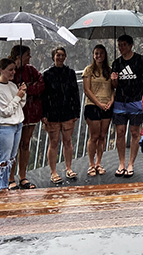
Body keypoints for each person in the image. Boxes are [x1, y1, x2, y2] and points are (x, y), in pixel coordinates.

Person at [111, 34, 143, 178]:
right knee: (120, 132)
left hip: (136, 102)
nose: (121, 48)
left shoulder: (141, 60)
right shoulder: (116, 63)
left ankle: (131, 164)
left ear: (130, 45)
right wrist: (114, 80)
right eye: (119, 45)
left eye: (123, 45)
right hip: (120, 101)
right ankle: (121, 163)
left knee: (135, 133)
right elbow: (114, 86)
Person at [42, 46, 81, 184]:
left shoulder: (70, 73)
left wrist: (76, 111)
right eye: (57, 55)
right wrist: (44, 114)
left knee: (67, 141)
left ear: (65, 57)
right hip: (52, 113)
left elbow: (75, 93)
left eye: (62, 55)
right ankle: (53, 172)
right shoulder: (47, 74)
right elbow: (44, 95)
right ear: (53, 57)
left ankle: (68, 168)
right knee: (53, 142)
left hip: (68, 112)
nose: (60, 57)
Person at [8, 45, 44, 189]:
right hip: (17, 113)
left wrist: (28, 89)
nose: (30, 57)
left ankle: (22, 176)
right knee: (13, 147)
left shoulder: (30, 70)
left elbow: (41, 84)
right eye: (27, 54)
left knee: (25, 144)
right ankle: (11, 178)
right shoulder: (11, 71)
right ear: (19, 57)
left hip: (31, 112)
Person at [0, 58, 26, 192]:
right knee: (2, 161)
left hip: (17, 125)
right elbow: (5, 112)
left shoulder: (12, 85)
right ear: (0, 71)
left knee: (10, 159)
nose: (13, 72)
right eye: (10, 70)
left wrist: (21, 94)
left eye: (14, 69)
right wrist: (17, 97)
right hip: (4, 127)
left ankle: (4, 187)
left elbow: (20, 105)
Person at [82, 44, 113, 176]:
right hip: (93, 106)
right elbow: (87, 90)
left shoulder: (109, 71)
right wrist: (99, 103)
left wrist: (111, 101)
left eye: (101, 53)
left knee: (102, 136)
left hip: (107, 106)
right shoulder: (88, 70)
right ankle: (91, 164)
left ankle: (99, 163)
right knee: (94, 136)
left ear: (105, 55)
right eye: (96, 53)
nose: (98, 56)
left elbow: (113, 89)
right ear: (93, 55)